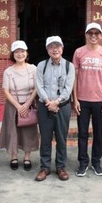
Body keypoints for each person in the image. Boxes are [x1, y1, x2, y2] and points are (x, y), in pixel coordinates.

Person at [73, 22, 102, 177]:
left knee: (98, 133)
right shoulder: (79, 52)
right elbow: (74, 77)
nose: (93, 36)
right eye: (91, 33)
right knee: (82, 133)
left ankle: (96, 162)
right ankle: (83, 163)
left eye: (97, 33)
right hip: (82, 100)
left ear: (101, 35)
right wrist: (75, 99)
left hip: (99, 100)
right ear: (86, 35)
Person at [35, 36, 75, 182]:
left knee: (61, 138)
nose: (55, 49)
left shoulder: (69, 66)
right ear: (47, 50)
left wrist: (56, 103)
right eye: (51, 46)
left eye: (57, 46)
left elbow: (68, 88)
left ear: (62, 48)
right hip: (44, 106)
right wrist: (48, 102)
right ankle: (45, 167)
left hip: (62, 107)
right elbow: (39, 86)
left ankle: (61, 167)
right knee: (45, 138)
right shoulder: (41, 65)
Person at [0, 40, 39, 172]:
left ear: (26, 53)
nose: (20, 54)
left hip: (29, 104)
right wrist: (18, 106)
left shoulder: (34, 69)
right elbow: (6, 91)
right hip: (13, 105)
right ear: (13, 54)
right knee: (13, 131)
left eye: (22, 51)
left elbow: (37, 88)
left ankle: (27, 157)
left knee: (28, 131)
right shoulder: (8, 71)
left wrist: (27, 104)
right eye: (17, 52)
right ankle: (14, 156)